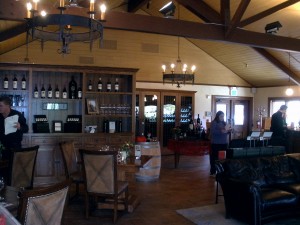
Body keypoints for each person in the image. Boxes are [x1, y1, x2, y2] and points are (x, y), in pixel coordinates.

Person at [209, 111, 231, 175]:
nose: (222, 117)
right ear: (217, 116)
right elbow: (213, 132)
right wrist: (221, 131)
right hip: (216, 143)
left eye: (223, 116)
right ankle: (213, 172)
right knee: (214, 158)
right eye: (221, 116)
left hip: (224, 143)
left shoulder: (224, 123)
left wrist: (229, 131)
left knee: (223, 158)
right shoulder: (214, 122)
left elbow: (226, 131)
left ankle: (221, 171)